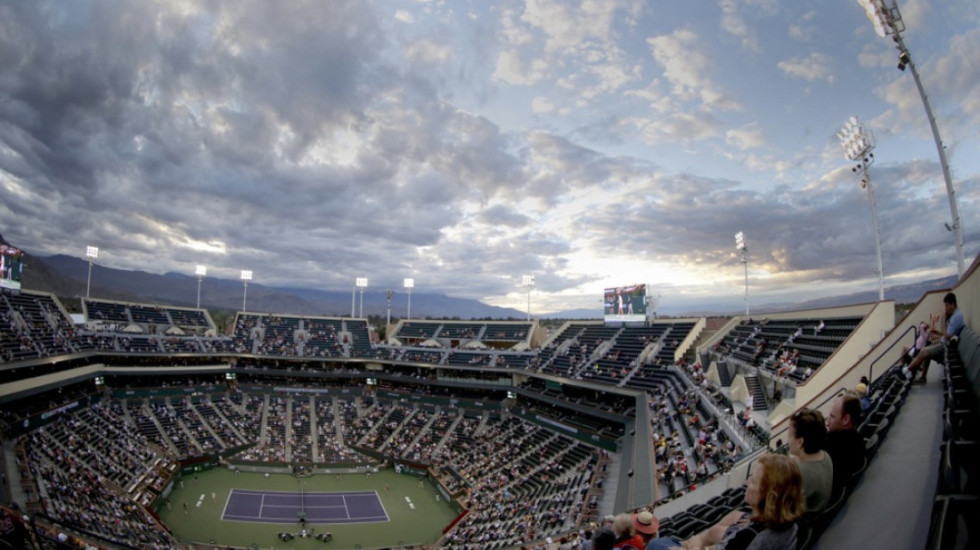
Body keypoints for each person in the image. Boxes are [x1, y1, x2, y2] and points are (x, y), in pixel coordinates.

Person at [646, 454, 804, 550]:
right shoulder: (787, 525)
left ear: (769, 496)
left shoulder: (753, 538)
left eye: (754, 481)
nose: (747, 482)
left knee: (655, 545)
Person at [908, 292, 965, 384]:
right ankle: (922, 377)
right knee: (927, 348)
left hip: (946, 348)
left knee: (924, 352)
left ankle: (906, 370)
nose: (945, 308)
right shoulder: (956, 315)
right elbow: (948, 335)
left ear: (953, 304)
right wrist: (937, 333)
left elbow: (947, 336)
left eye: (947, 306)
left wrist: (943, 321)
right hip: (946, 345)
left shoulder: (956, 317)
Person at [788, 409, 833, 516]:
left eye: (790, 435)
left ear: (800, 442)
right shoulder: (824, 455)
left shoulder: (801, 475)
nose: (788, 440)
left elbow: (780, 511)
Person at [823, 391, 865, 499]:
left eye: (832, 417)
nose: (828, 422)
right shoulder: (858, 438)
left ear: (846, 419)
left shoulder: (833, 444)